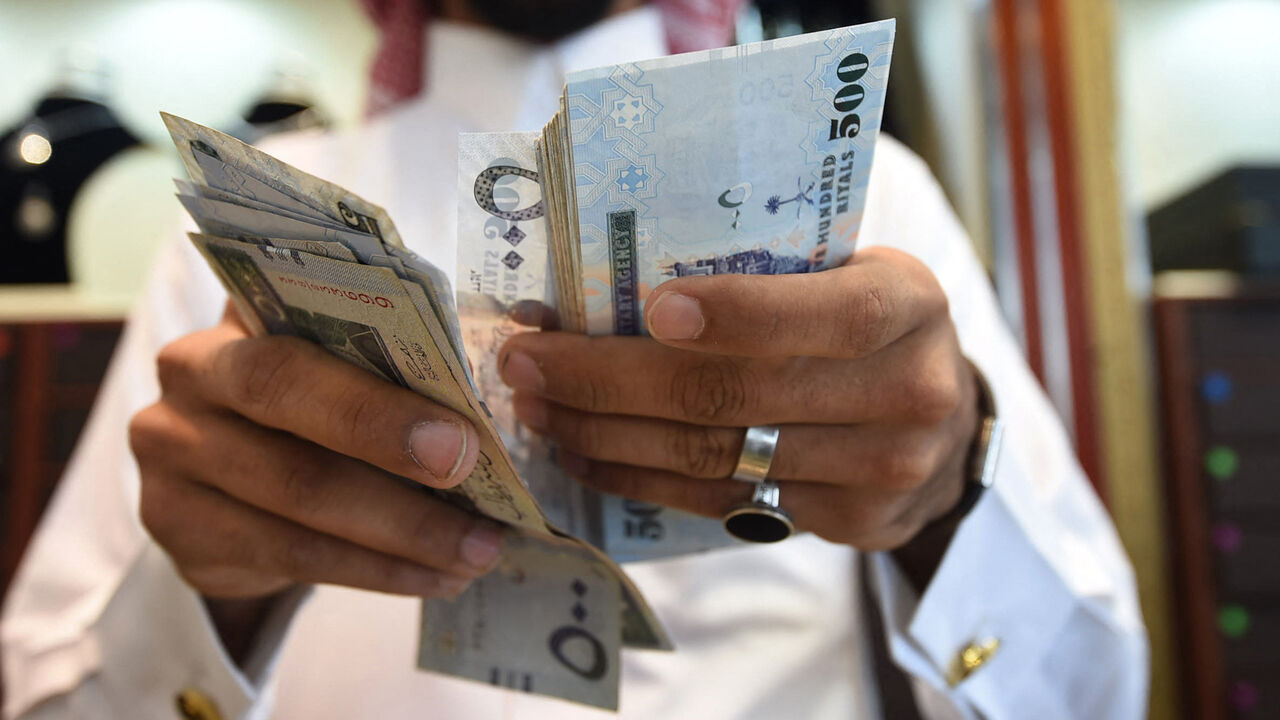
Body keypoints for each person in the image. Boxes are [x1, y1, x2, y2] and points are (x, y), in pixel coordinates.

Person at [1, 1, 1149, 718]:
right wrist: (206, 598)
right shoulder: (241, 232)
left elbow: (1096, 694)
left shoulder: (870, 198)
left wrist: (945, 499)